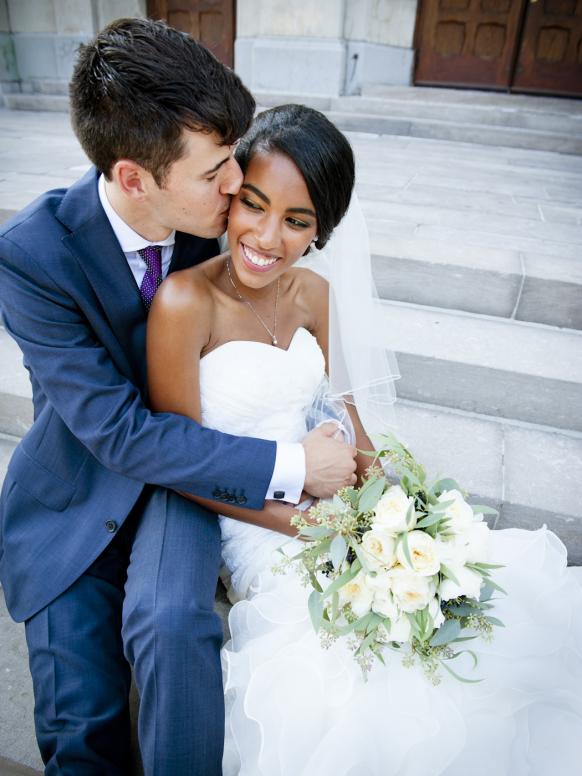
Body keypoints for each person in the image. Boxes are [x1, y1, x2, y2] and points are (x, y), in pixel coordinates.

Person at [147, 104, 582, 775]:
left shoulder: (315, 293)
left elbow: (352, 419)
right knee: (348, 679)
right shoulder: (184, 302)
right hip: (254, 517)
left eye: (297, 222)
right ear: (231, 197)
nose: (266, 237)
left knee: (449, 622)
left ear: (322, 230)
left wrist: (396, 516)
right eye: (254, 207)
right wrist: (308, 527)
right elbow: (183, 465)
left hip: (333, 499)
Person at [0, 20, 357, 776]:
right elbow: (123, 434)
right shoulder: (33, 256)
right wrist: (296, 464)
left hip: (191, 484)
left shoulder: (224, 225)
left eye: (234, 160)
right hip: (81, 489)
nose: (236, 187)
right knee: (81, 724)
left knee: (174, 622)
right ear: (136, 179)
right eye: (218, 172)